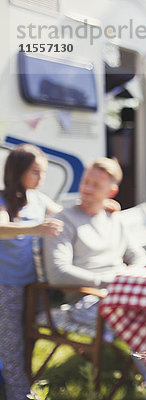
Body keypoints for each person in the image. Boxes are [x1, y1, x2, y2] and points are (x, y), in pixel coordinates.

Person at [43, 157, 146, 400]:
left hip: (120, 292)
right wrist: (109, 280)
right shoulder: (65, 221)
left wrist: (128, 277)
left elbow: (135, 255)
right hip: (86, 300)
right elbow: (57, 273)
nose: (87, 188)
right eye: (86, 181)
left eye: (95, 185)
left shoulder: (113, 218)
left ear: (111, 191)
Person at [0, 144, 63, 400]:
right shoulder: (3, 199)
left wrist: (100, 204)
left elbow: (66, 215)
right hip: (6, 285)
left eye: (43, 172)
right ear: (18, 171)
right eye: (36, 172)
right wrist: (34, 227)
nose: (41, 178)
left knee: (27, 337)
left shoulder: (39, 198)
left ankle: (17, 382)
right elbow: (1, 228)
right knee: (11, 341)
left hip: (32, 284)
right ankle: (17, 394)